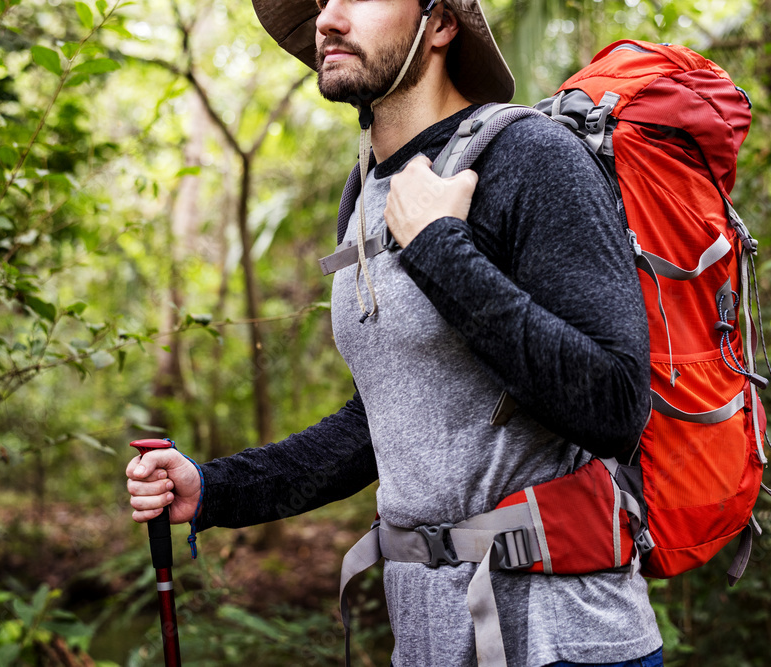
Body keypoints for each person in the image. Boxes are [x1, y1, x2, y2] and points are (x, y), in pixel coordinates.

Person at [126, 0, 664, 664]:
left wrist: (439, 246)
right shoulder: (363, 196)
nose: (328, 17)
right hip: (429, 635)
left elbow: (615, 403)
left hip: (568, 638)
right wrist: (213, 488)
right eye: (323, 1)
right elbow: (377, 426)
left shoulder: (528, 157)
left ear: (440, 25)